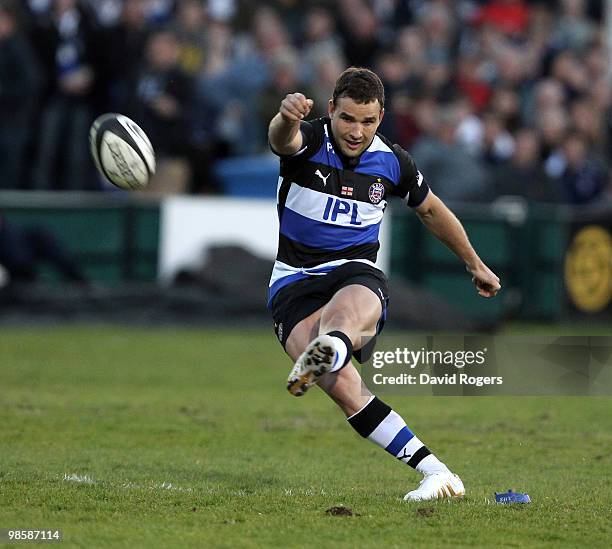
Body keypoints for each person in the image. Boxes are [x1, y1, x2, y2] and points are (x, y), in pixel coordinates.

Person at [267, 67, 501, 502]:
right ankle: (437, 472)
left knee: (344, 314)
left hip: (354, 271)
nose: (357, 131)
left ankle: (332, 345)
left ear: (381, 117)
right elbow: (282, 140)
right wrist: (286, 116)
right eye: (348, 119)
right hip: (294, 281)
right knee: (346, 392)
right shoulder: (311, 140)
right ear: (331, 109)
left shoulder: (392, 161)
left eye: (368, 121)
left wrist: (475, 263)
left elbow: (431, 210)